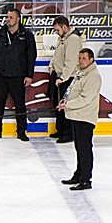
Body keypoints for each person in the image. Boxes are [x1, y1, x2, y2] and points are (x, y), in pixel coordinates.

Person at [0, 7, 37, 142]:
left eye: (11, 17)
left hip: (18, 76)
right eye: (7, 17)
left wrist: (29, 75)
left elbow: (31, 56)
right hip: (1, 75)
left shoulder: (26, 35)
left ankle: (21, 132)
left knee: (20, 105)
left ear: (18, 19)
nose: (8, 20)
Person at [58, 48, 101, 192]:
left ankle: (85, 179)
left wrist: (67, 105)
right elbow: (73, 90)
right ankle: (79, 174)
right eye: (80, 57)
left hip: (85, 117)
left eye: (84, 58)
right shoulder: (81, 73)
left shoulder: (93, 76)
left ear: (91, 60)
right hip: (76, 115)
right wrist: (65, 99)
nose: (81, 60)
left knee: (84, 149)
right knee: (79, 148)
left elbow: (85, 99)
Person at [48, 16, 84, 144]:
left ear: (64, 27)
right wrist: (51, 66)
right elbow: (57, 55)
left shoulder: (73, 39)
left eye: (57, 30)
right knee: (58, 105)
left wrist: (63, 78)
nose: (56, 33)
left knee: (65, 105)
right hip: (59, 76)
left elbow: (71, 62)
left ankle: (68, 133)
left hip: (68, 78)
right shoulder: (63, 38)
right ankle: (61, 130)